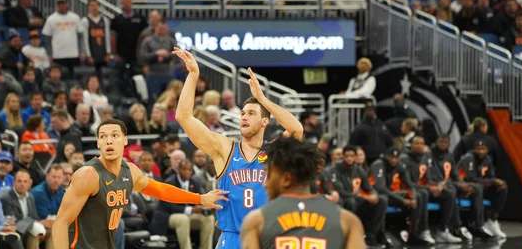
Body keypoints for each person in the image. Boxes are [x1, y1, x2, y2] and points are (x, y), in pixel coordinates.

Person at [173, 48, 303, 248]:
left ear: (264, 122)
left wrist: (262, 99)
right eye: (242, 113)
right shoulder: (224, 148)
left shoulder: (273, 152)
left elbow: (296, 130)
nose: (244, 117)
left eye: (251, 113)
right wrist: (193, 75)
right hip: (233, 237)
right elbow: (183, 116)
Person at [51, 119, 228, 249]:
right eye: (103, 137)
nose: (109, 141)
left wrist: (199, 198)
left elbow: (160, 190)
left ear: (125, 140)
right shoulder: (87, 175)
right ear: (98, 143)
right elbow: (61, 222)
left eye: (114, 135)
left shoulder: (130, 171)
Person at [240, 136, 365, 248]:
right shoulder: (348, 221)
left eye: (268, 174)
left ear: (286, 179)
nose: (264, 183)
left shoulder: (256, 221)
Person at [328, 145, 390, 247]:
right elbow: (341, 192)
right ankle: (347, 237)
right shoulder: (335, 169)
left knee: (382, 200)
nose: (349, 158)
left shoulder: (359, 170)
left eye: (352, 156)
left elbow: (368, 187)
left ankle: (371, 236)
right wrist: (364, 197)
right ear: (342, 157)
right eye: (346, 156)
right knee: (351, 202)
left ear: (355, 157)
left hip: (358, 202)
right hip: (344, 203)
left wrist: (374, 195)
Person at [458, 139, 508, 238]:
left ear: (487, 150)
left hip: (479, 187)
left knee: (502, 188)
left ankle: (492, 220)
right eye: (478, 149)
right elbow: (471, 179)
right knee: (478, 187)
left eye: (483, 149)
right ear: (474, 149)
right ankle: (479, 224)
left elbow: (491, 177)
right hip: (465, 189)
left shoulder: (487, 159)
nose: (480, 151)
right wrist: (492, 181)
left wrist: (496, 183)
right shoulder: (468, 158)